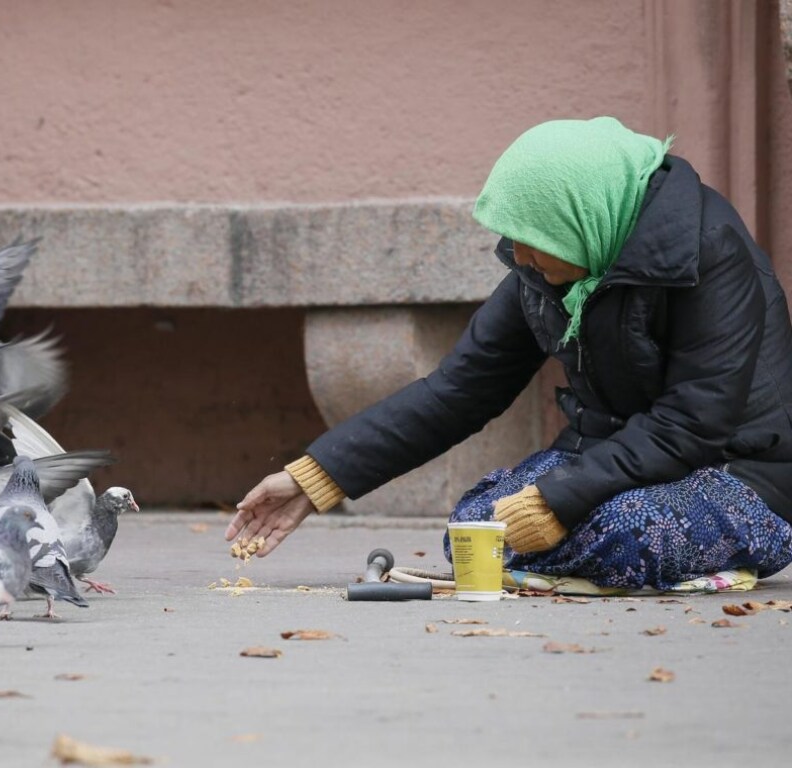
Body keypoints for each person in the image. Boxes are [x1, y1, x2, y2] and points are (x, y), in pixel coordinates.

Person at [225, 116, 792, 591]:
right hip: (614, 461)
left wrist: (558, 499)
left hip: (738, 473)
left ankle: (712, 555)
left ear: (581, 218)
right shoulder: (543, 270)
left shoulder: (712, 253)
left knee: (624, 528)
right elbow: (460, 389)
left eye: (533, 235)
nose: (517, 254)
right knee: (474, 530)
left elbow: (692, 423)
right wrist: (316, 478)